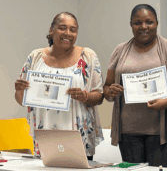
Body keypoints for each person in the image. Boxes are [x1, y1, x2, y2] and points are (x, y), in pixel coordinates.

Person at [103, 4, 167, 167]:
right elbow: (106, 88)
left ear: (157, 23)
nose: (143, 27)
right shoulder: (120, 50)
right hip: (127, 133)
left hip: (162, 133)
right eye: (137, 22)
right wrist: (110, 91)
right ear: (131, 24)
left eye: (149, 22)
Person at [14, 12, 104, 161]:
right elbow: (22, 100)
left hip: (79, 137)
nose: (68, 33)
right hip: (45, 137)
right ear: (51, 30)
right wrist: (19, 90)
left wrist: (85, 96)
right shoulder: (35, 57)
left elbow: (100, 96)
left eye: (73, 29)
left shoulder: (88, 56)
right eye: (62, 28)